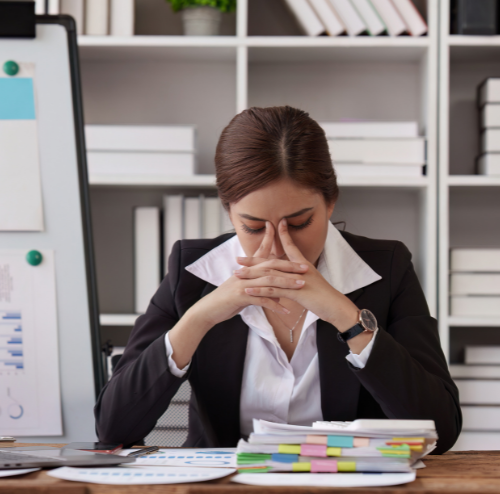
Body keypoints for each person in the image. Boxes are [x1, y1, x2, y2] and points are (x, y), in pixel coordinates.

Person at [94, 106, 461, 453]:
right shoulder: (192, 271)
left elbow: (440, 431)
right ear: (228, 211)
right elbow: (114, 429)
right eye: (253, 227)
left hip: (346, 484)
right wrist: (200, 317)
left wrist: (346, 318)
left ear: (331, 202)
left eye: (299, 223)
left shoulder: (388, 268)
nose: (277, 246)